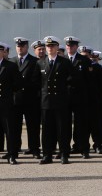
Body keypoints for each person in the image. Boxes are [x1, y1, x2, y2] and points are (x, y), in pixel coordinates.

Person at [38, 36, 73, 165]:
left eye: (52, 46)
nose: (50, 48)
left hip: (60, 101)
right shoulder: (40, 63)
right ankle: (47, 155)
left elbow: (73, 79)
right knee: (47, 130)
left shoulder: (64, 62)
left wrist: (65, 94)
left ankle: (64, 154)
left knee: (62, 129)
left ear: (57, 47)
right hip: (46, 101)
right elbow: (36, 82)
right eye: (48, 46)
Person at [10, 37, 42, 159]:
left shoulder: (34, 61)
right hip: (16, 99)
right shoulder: (11, 61)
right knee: (15, 127)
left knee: (33, 126)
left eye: (22, 46)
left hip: (30, 98)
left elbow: (37, 81)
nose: (20, 48)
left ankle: (34, 149)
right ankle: (14, 150)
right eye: (18, 46)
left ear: (27, 47)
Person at [64, 36, 92, 159]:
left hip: (80, 97)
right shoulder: (62, 60)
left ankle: (83, 148)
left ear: (76, 47)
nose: (70, 47)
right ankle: (64, 149)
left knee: (81, 124)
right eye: (68, 45)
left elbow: (88, 80)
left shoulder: (84, 60)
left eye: (72, 45)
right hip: (65, 97)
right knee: (65, 125)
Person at [0, 42, 21, 165]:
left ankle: (12, 155)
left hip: (6, 103)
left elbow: (18, 84)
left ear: (3, 52)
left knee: (9, 130)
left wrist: (8, 92)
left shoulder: (10, 66)